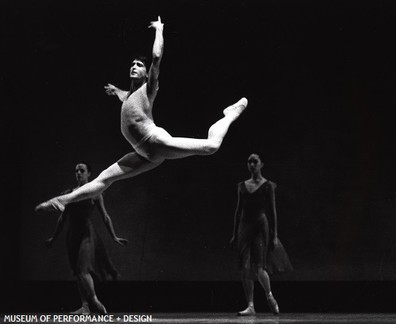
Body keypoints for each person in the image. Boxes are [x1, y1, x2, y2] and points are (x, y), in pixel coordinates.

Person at [35, 16, 247, 213]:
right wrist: (116, 90)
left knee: (211, 147)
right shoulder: (129, 95)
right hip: (144, 154)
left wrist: (159, 30)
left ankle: (229, 114)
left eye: (139, 65)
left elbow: (156, 57)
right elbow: (124, 97)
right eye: (133, 64)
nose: (134, 66)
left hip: (156, 140)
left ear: (147, 74)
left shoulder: (149, 88)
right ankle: (61, 201)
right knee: (105, 179)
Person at [45, 162, 128, 314]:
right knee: (78, 272)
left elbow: (105, 217)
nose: (78, 173)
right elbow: (62, 219)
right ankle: (85, 306)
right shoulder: (69, 193)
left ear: (89, 173)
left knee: (83, 269)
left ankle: (94, 300)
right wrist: (53, 238)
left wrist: (114, 236)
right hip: (72, 235)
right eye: (76, 170)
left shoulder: (95, 192)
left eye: (81, 170)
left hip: (86, 234)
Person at [230, 153, 293, 316]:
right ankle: (250, 305)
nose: (251, 164)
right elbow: (238, 211)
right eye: (249, 161)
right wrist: (234, 233)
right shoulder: (242, 186)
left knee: (259, 265)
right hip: (244, 226)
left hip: (260, 226)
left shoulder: (268, 186)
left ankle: (269, 296)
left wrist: (274, 235)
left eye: (255, 161)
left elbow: (273, 212)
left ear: (261, 164)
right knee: (244, 266)